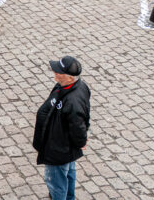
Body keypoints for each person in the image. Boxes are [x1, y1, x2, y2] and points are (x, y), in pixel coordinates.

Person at [33, 56, 91, 200]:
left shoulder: (73, 101)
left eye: (58, 71)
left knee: (55, 182)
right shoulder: (68, 86)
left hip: (59, 149)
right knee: (68, 174)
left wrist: (81, 142)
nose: (54, 72)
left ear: (70, 78)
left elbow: (78, 125)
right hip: (63, 146)